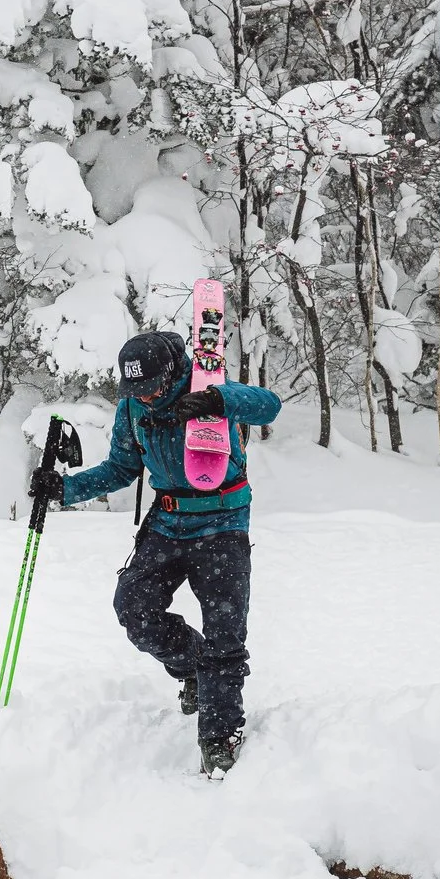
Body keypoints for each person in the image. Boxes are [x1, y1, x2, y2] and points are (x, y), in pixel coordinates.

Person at [34, 330, 280, 774]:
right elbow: (121, 468)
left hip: (223, 523)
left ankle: (220, 734)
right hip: (167, 523)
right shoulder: (132, 408)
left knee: (226, 632)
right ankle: (191, 665)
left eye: (150, 388)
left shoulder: (206, 386)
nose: (144, 397)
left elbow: (269, 405)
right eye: (135, 391)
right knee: (133, 607)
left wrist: (220, 401)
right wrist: (65, 489)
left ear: (170, 374)